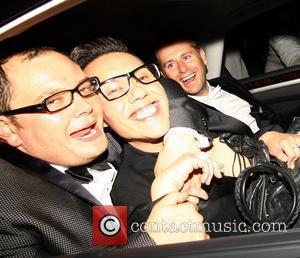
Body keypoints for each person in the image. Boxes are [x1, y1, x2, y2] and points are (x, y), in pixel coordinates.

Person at [0, 48, 210, 257]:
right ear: (7, 129)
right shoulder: (7, 207)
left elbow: (165, 87)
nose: (86, 106)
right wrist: (152, 243)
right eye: (53, 101)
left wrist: (179, 137)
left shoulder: (102, 138)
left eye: (84, 88)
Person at [70, 37, 263, 237]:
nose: (138, 92)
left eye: (143, 78)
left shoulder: (197, 118)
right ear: (101, 119)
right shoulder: (131, 197)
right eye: (114, 90)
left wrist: (267, 138)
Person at [155, 36, 300, 169]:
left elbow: (264, 114)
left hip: (287, 139)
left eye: (186, 57)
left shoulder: (225, 83)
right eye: (170, 65)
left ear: (203, 57)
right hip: (269, 166)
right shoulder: (183, 116)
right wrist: (265, 138)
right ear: (165, 76)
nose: (183, 69)